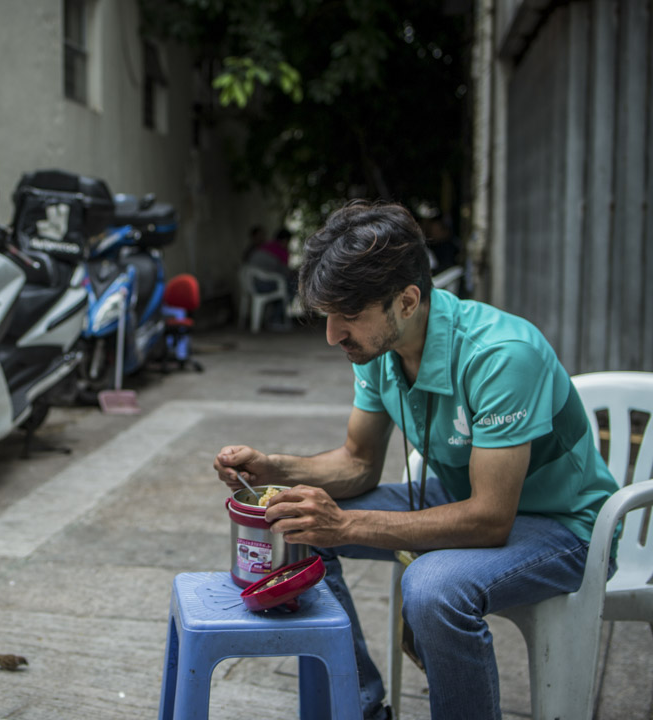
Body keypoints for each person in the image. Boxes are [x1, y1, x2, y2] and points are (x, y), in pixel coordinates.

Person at [213, 201, 617, 720]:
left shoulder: (501, 355)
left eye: (349, 315)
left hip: (570, 528)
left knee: (430, 589)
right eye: (328, 314)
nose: (333, 335)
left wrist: (349, 523)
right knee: (298, 521)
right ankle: (357, 707)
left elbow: (491, 520)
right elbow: (358, 464)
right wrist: (273, 468)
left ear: (406, 301)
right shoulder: (378, 350)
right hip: (465, 497)